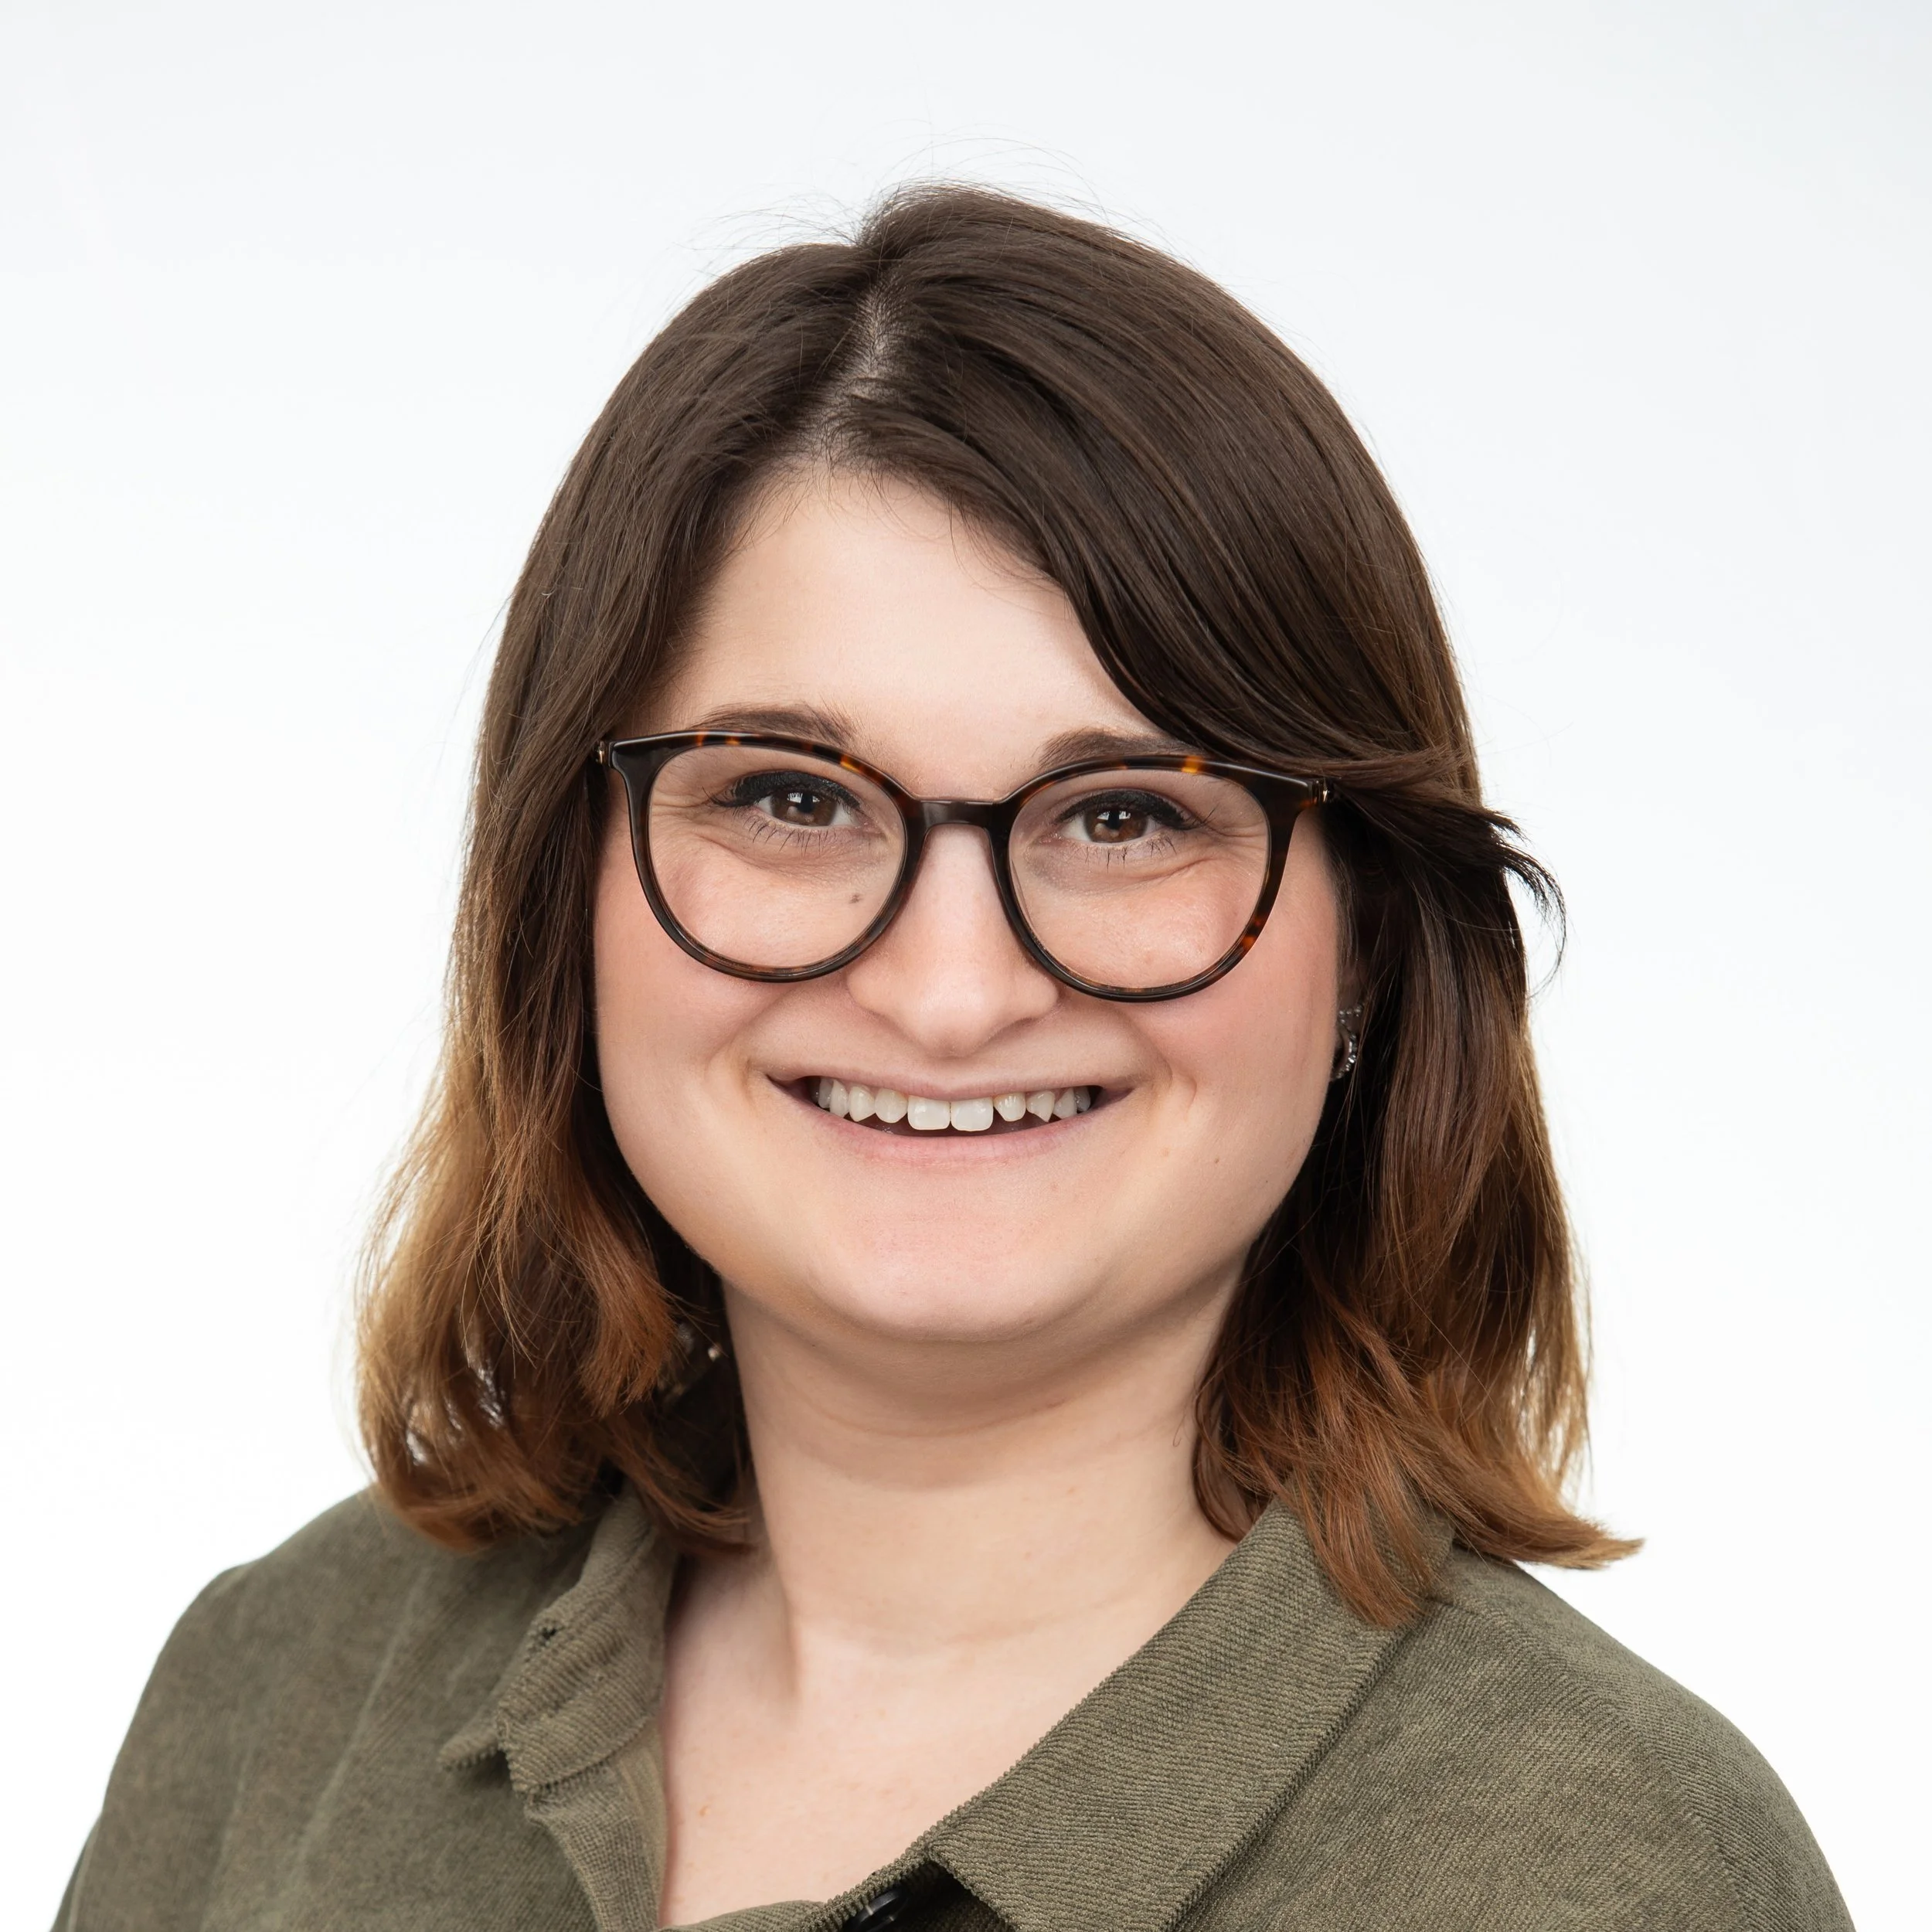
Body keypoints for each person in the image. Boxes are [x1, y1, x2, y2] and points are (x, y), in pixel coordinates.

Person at [56, 187, 1852, 1932]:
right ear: (561, 899)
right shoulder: (280, 1691)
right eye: (788, 796)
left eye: (1129, 813)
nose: (947, 987)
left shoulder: (1612, 1872)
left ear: (1370, 938)